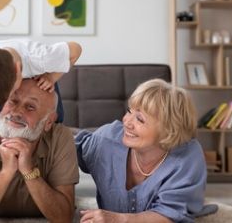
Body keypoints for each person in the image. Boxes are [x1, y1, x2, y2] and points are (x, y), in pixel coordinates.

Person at [75, 79, 207, 223]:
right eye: (129, 111)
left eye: (139, 119)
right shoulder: (106, 140)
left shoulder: (187, 157)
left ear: (168, 129)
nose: (127, 122)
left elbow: (169, 215)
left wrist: (116, 219)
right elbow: (68, 149)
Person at [0, 79, 79, 222]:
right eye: (13, 101)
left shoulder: (61, 137)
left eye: (30, 107)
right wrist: (6, 172)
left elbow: (64, 218)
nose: (16, 112)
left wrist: (28, 170)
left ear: (49, 122)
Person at [0, 39, 82, 138]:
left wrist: (51, 77)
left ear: (18, 69)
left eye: (10, 95)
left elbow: (76, 49)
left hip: (39, 79)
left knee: (52, 126)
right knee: (1, 131)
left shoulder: (41, 58)